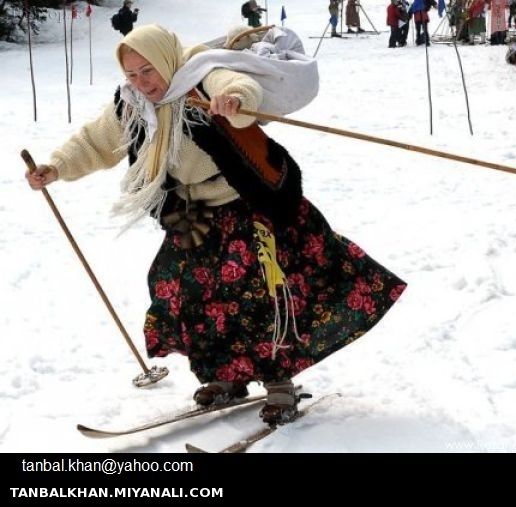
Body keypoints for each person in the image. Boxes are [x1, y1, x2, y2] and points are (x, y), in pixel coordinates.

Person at [25, 25, 406, 426]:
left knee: (259, 295)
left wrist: (235, 100)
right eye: (132, 74)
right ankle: (226, 376)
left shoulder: (201, 76)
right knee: (182, 289)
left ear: (166, 59)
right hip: (192, 213)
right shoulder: (133, 102)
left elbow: (236, 83)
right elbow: (95, 141)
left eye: (148, 70)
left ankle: (278, 383)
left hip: (245, 204)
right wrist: (56, 167)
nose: (142, 82)